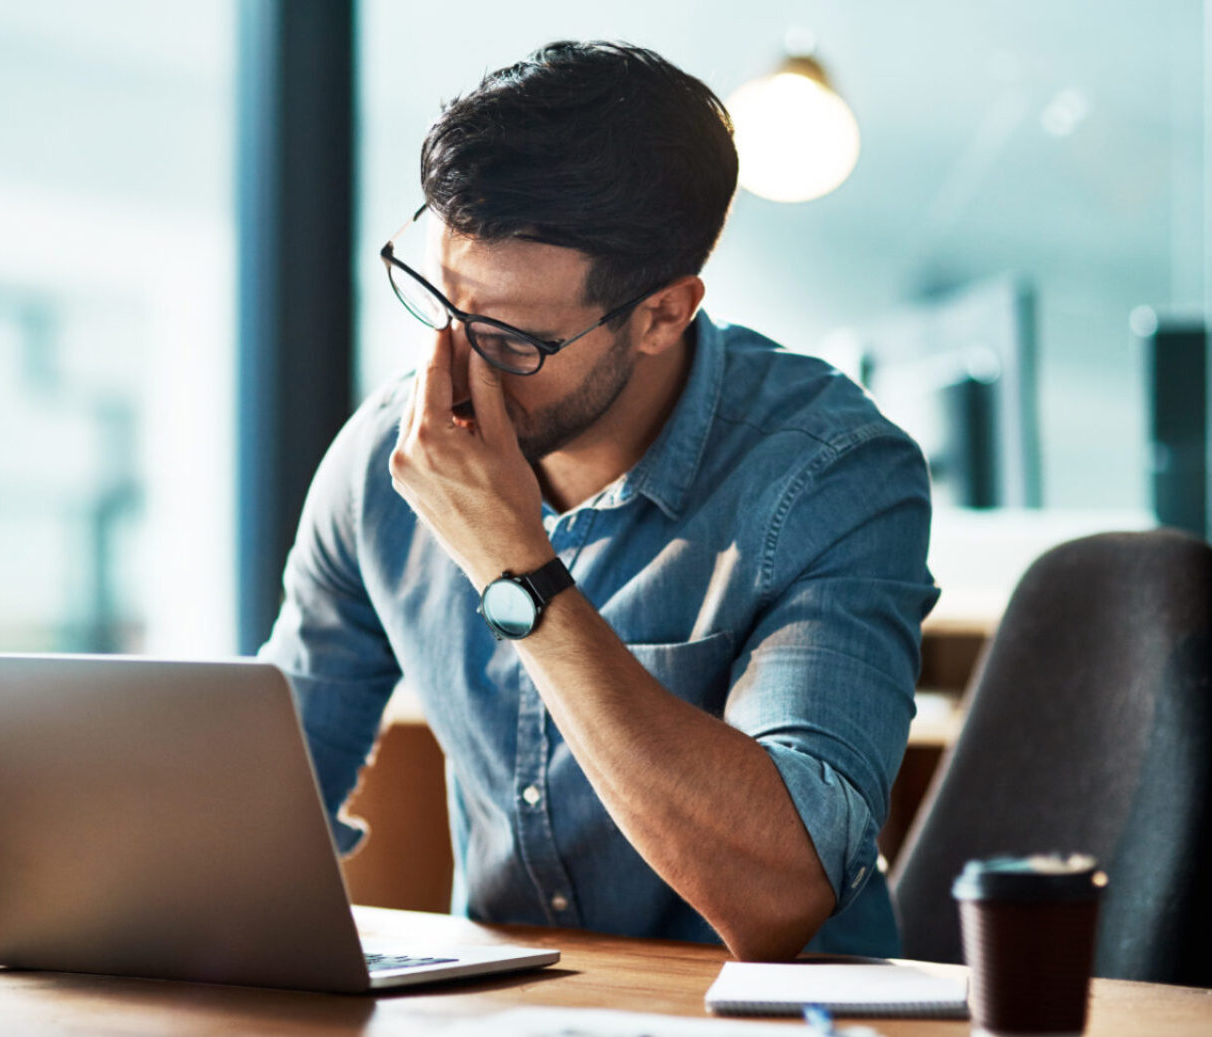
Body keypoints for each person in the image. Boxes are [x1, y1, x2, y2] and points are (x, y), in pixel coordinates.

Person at [259, 40, 937, 960]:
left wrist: (516, 571)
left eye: (508, 337)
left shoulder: (833, 474)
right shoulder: (386, 456)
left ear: (664, 313)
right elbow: (268, 797)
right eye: (438, 300)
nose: (453, 367)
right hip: (504, 1016)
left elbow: (782, 893)